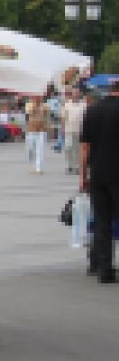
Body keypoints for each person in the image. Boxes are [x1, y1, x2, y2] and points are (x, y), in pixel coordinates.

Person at [80, 81, 119, 283]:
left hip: (98, 173)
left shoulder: (93, 110)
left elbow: (85, 147)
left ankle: (104, 270)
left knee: (101, 222)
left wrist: (83, 176)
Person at [61, 89, 87, 175]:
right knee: (68, 148)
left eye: (77, 93)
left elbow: (86, 117)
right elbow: (63, 118)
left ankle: (77, 167)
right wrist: (63, 129)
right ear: (71, 94)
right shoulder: (67, 104)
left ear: (79, 94)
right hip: (69, 130)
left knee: (77, 149)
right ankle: (70, 166)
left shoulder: (83, 105)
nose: (76, 95)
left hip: (80, 130)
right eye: (74, 93)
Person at [25, 95, 50, 174]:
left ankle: (38, 168)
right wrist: (35, 105)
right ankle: (33, 165)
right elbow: (30, 113)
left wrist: (48, 127)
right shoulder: (29, 105)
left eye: (39, 97)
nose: (38, 98)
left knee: (40, 149)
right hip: (31, 130)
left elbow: (47, 117)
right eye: (36, 97)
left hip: (42, 130)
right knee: (31, 148)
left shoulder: (45, 106)